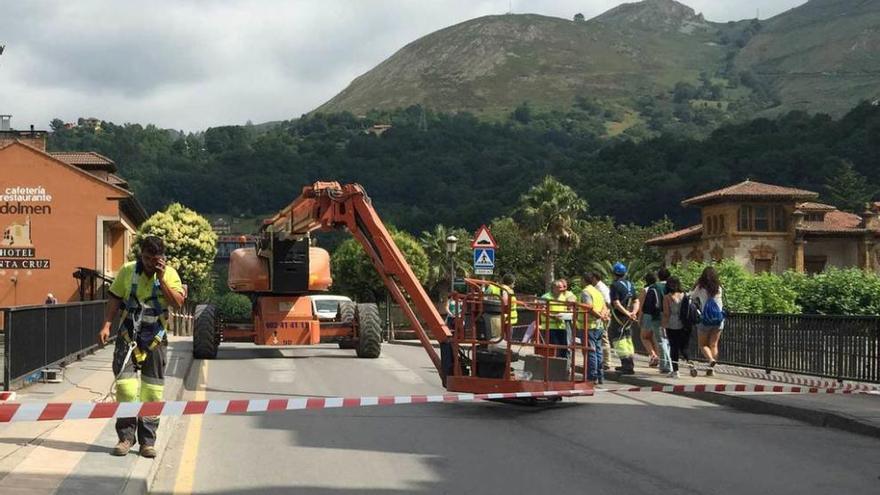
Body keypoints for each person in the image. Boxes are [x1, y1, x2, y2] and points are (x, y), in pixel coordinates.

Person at [99, 236, 185, 458]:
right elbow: (114, 299)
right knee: (126, 388)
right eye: (146, 258)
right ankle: (126, 438)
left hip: (155, 338)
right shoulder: (128, 271)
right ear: (141, 255)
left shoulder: (170, 274)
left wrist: (161, 278)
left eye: (153, 259)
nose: (149, 262)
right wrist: (107, 324)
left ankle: (147, 441)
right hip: (128, 336)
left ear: (161, 258)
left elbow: (177, 302)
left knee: (152, 390)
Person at [691, 266, 724, 376]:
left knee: (703, 344)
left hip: (705, 319)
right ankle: (711, 370)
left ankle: (710, 360)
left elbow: (692, 296)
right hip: (719, 320)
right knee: (714, 345)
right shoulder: (719, 288)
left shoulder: (700, 287)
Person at [607, 262, 639, 374]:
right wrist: (633, 312)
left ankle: (626, 365)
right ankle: (630, 363)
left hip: (619, 317)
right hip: (629, 318)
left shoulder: (614, 285)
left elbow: (616, 303)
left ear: (614, 273)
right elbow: (636, 301)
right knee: (628, 339)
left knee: (618, 340)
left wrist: (626, 313)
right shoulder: (630, 285)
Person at [580, 273, 610, 384]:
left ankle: (592, 376)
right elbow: (605, 307)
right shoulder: (597, 292)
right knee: (598, 351)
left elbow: (589, 307)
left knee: (591, 352)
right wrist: (603, 316)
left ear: (584, 280)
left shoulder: (586, 292)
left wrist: (600, 316)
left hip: (590, 326)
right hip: (599, 326)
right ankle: (600, 376)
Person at [540, 279, 576, 359]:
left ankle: (562, 368)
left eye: (562, 287)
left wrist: (569, 312)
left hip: (562, 327)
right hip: (549, 327)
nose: (562, 289)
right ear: (554, 288)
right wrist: (553, 316)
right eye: (560, 287)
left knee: (563, 348)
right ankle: (551, 368)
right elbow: (541, 310)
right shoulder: (545, 297)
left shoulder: (563, 297)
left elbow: (567, 308)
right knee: (553, 349)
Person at [661, 276, 689, 378]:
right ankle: (690, 363)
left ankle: (675, 371)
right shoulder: (684, 295)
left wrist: (663, 325)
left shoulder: (667, 297)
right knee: (683, 346)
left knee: (674, 347)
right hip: (684, 323)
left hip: (672, 324)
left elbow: (666, 313)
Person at [589, 273, 613, 371]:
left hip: (602, 316)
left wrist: (604, 315)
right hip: (599, 316)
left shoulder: (601, 288)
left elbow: (608, 303)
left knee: (604, 338)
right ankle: (602, 361)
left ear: (594, 278)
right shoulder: (597, 287)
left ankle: (606, 362)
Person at [637, 273, 660, 367]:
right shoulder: (659, 288)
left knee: (644, 337)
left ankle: (653, 355)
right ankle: (658, 357)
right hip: (658, 315)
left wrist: (639, 318)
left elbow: (641, 306)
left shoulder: (645, 290)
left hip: (647, 315)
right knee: (654, 337)